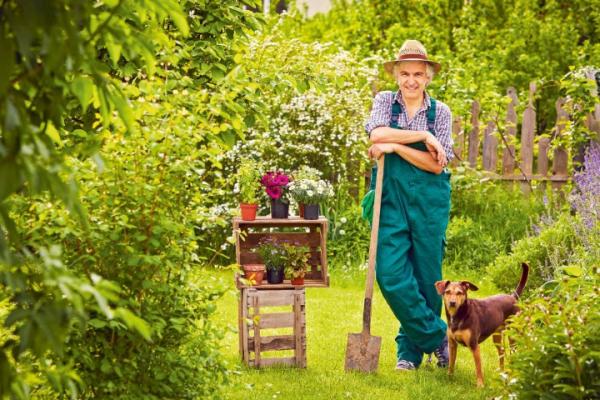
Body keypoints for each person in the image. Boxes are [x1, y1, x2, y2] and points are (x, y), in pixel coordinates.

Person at [364, 40, 454, 371]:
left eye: (418, 73)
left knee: (428, 276)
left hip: (429, 199)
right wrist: (424, 139)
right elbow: (375, 134)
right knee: (389, 272)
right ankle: (438, 338)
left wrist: (397, 146)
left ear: (428, 77)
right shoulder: (385, 102)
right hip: (391, 195)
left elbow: (435, 166)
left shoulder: (440, 112)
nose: (412, 80)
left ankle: (409, 354)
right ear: (397, 75)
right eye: (405, 73)